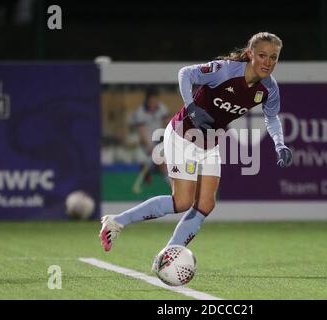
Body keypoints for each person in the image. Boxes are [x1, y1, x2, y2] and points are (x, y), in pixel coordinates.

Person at [99, 32, 292, 253]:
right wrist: (191, 107)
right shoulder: (225, 70)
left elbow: (272, 117)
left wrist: (280, 144)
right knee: (181, 202)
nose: (268, 62)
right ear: (250, 54)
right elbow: (185, 74)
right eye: (262, 55)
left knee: (206, 204)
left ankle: (170, 254)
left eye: (274, 57)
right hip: (183, 136)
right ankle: (116, 222)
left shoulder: (269, 88)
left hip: (210, 143)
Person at [128, 87, 171, 193]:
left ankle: (170, 181)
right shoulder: (140, 112)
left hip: (159, 139)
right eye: (151, 101)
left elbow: (168, 123)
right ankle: (148, 177)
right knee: (150, 162)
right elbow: (141, 131)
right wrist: (149, 145)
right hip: (145, 143)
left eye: (155, 101)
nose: (153, 103)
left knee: (162, 159)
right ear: (147, 100)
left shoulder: (162, 108)